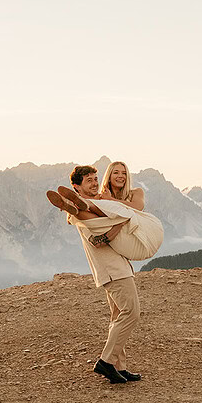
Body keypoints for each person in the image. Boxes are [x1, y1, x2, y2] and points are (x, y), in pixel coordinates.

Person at [49, 164, 150, 385]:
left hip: (116, 266)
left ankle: (118, 367)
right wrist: (121, 223)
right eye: (89, 181)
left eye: (96, 179)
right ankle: (105, 362)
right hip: (112, 269)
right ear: (77, 186)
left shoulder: (99, 204)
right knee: (131, 313)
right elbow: (99, 239)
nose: (95, 183)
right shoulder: (80, 219)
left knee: (117, 318)